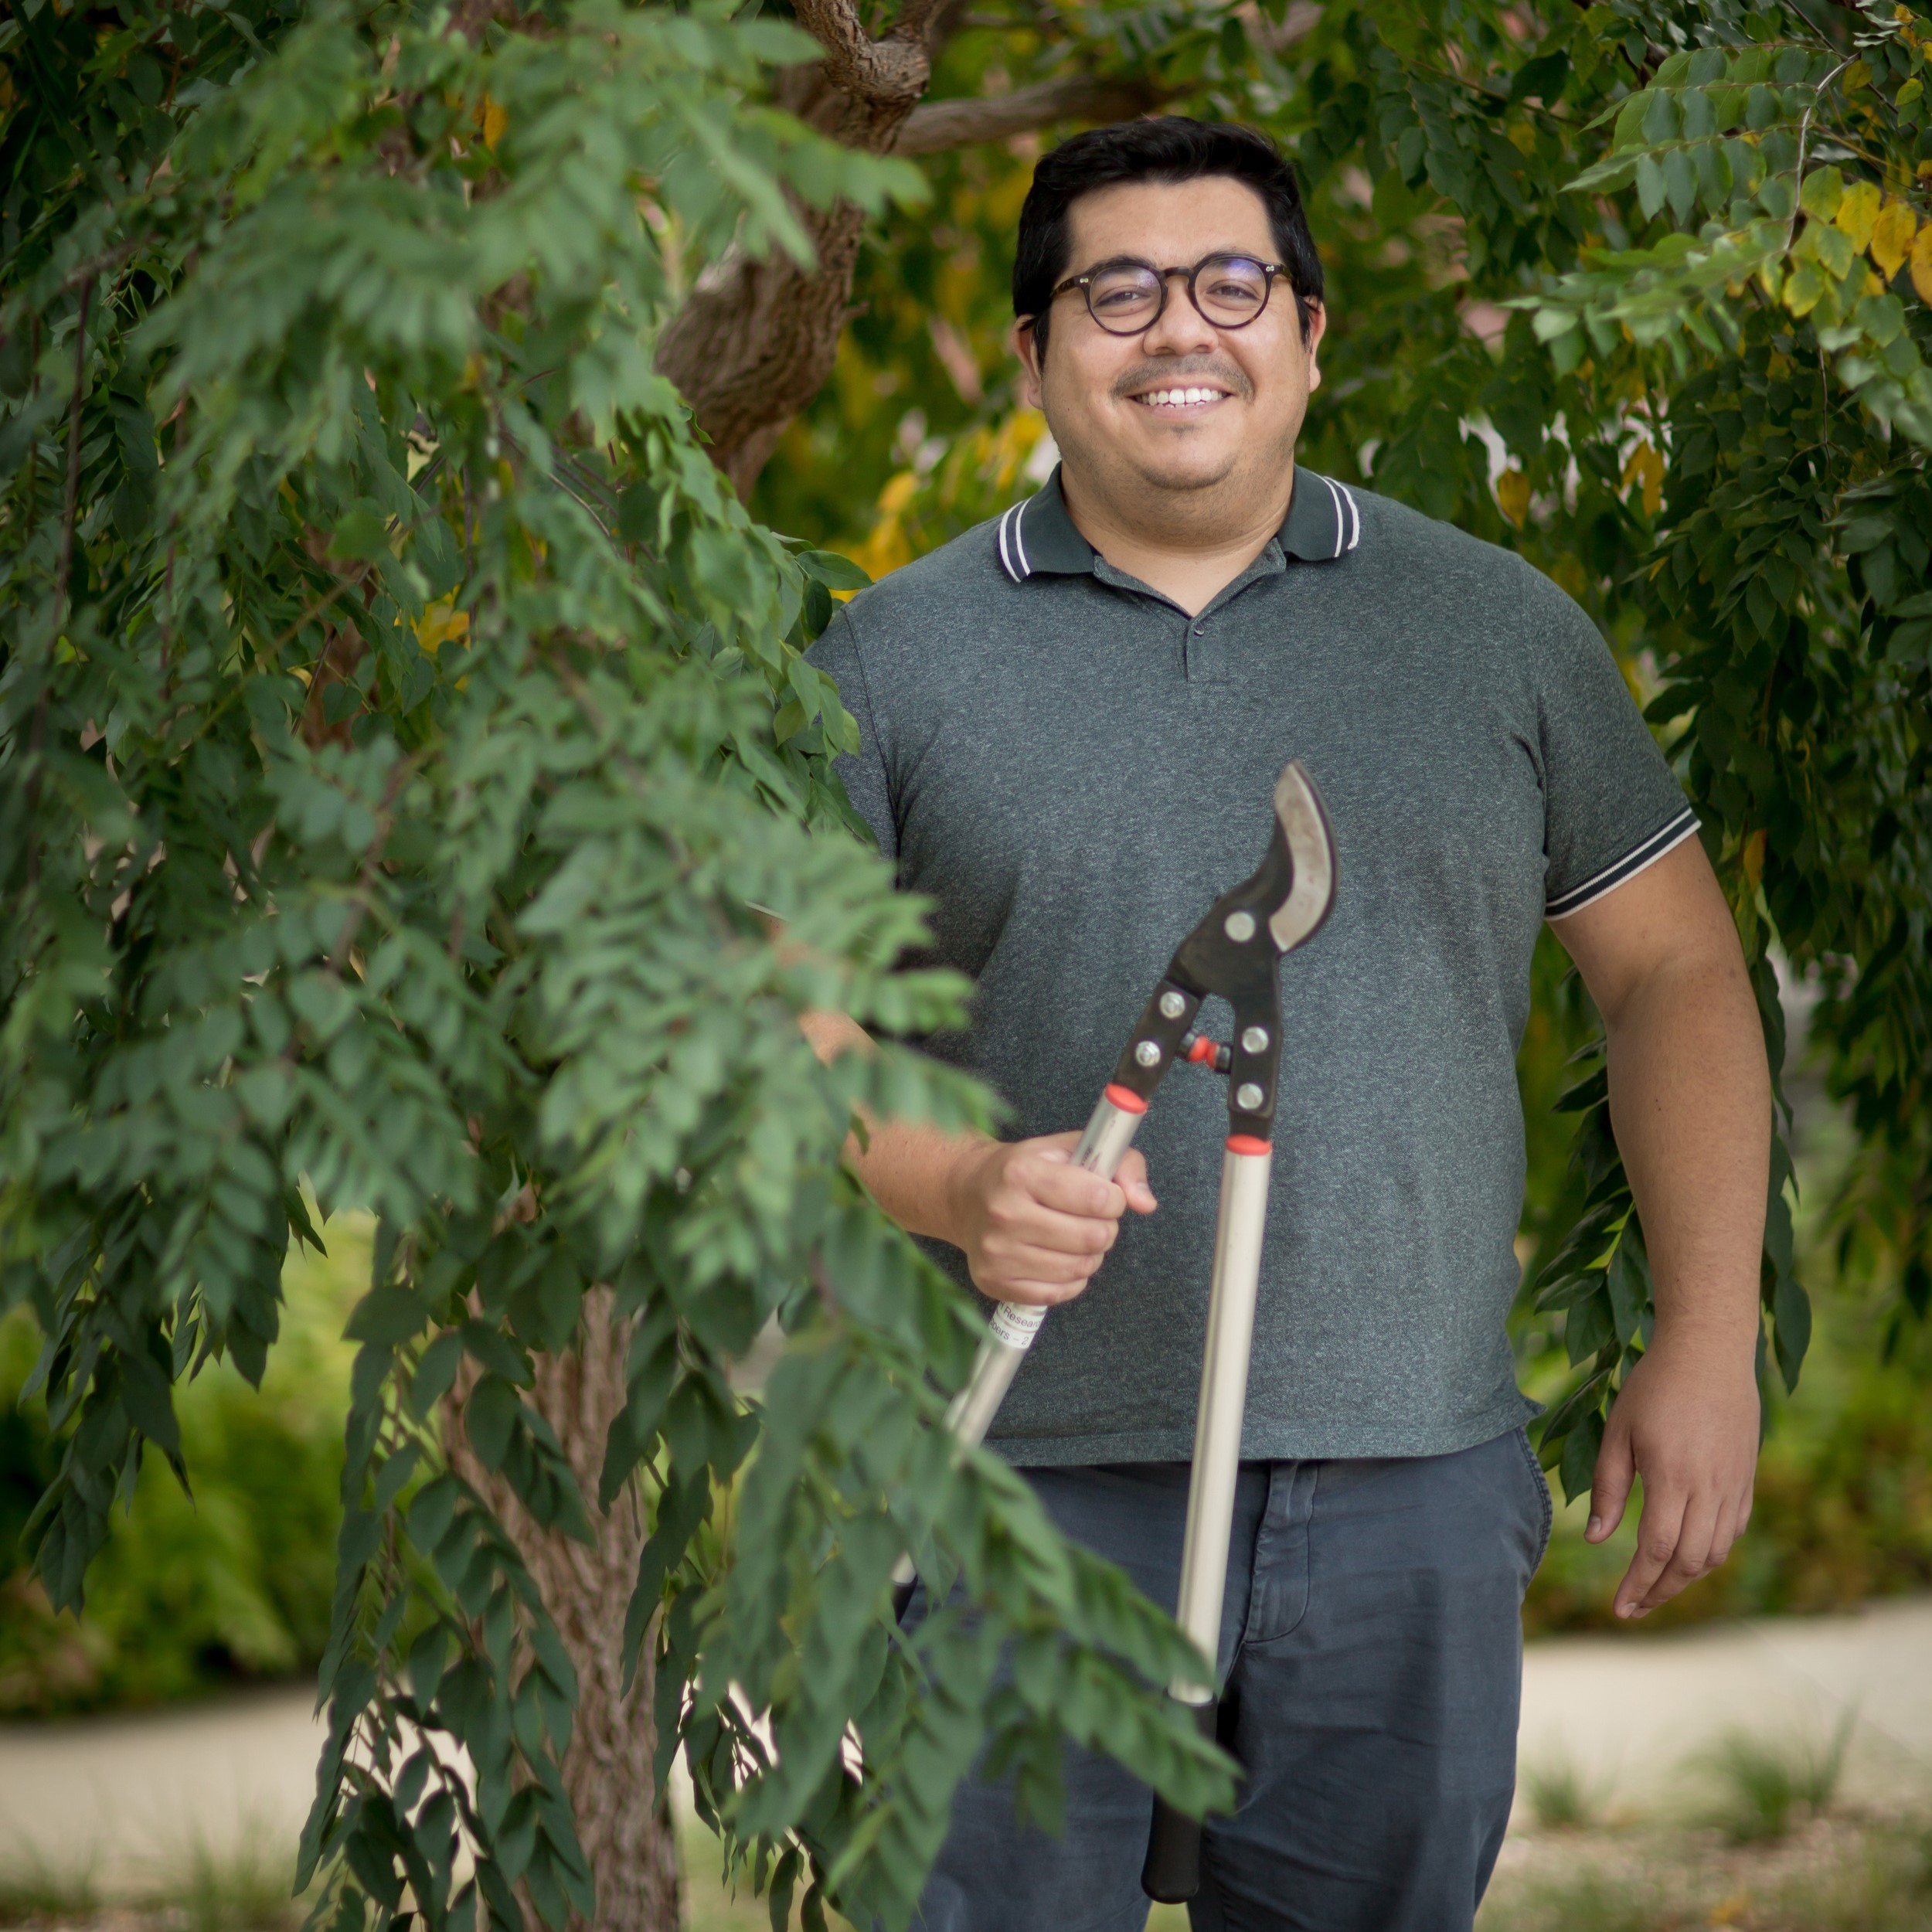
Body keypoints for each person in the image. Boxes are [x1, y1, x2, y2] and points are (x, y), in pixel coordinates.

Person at [802, 116, 1768, 1932]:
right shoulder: (886, 659)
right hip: (1017, 1485)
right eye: (1117, 289)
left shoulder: (1494, 632)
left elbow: (1674, 974)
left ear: (1310, 333)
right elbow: (787, 1033)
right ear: (1031, 350)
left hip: (1405, 1474)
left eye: (1232, 281)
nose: (1181, 328)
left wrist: (1705, 1336)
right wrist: (950, 1181)